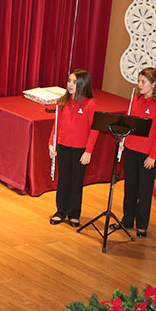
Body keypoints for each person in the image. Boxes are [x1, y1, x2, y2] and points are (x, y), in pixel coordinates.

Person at [112, 67, 156, 238]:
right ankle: (127, 220)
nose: (139, 85)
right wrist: (123, 140)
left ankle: (142, 224)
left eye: (143, 82)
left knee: (144, 191)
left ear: (154, 84)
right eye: (139, 81)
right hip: (131, 150)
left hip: (147, 155)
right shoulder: (136, 100)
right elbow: (128, 124)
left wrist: (153, 155)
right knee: (130, 187)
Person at [48, 70, 97, 226]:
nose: (70, 84)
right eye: (69, 81)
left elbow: (94, 130)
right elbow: (57, 124)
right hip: (63, 147)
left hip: (80, 150)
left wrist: (88, 151)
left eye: (74, 82)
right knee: (63, 180)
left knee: (76, 182)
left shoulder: (90, 104)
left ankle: (74, 213)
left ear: (83, 84)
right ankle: (61, 211)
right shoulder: (63, 101)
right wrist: (51, 142)